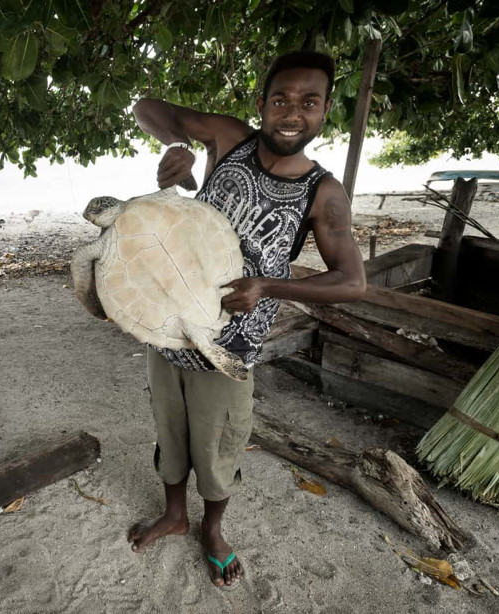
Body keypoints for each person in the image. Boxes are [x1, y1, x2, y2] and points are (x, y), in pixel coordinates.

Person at [127, 50, 367, 590]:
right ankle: (173, 515)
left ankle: (213, 530)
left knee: (218, 444)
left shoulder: (322, 192)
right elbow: (146, 107)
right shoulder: (228, 139)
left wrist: (268, 287)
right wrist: (178, 150)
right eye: (280, 99)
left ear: (325, 110)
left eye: (309, 102)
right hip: (168, 325)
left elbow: (352, 281)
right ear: (261, 104)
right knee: (170, 429)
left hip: (230, 348)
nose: (292, 113)